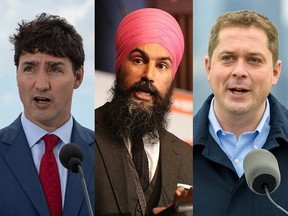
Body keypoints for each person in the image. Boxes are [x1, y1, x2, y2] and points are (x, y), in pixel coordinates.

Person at [95, 8, 192, 216]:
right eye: (138, 60)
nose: (148, 75)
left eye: (162, 66)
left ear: (172, 77)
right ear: (120, 65)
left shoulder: (188, 158)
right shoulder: (80, 137)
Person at [193, 10, 288, 216]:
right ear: (209, 67)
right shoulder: (175, 145)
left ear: (275, 72)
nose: (239, 71)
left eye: (254, 60)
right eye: (228, 58)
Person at [0, 13, 94, 215]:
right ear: (17, 75)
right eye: (29, 68)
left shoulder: (105, 154)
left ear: (77, 77)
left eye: (54, 69)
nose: (41, 85)